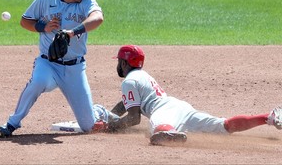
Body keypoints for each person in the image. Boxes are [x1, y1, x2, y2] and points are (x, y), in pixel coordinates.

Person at [0, 0, 107, 137]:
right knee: (38, 81)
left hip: (74, 69)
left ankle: (98, 111)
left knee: (88, 126)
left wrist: (72, 32)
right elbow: (25, 21)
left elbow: (98, 18)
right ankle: (12, 123)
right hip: (48, 63)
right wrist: (43, 27)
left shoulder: (87, 3)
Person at [104, 45, 282, 145]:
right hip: (180, 107)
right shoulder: (142, 75)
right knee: (225, 125)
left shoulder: (129, 81)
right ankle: (268, 117)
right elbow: (125, 104)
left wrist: (110, 127)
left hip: (163, 112)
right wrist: (110, 116)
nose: (119, 65)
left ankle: (170, 133)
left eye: (120, 61)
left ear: (125, 63)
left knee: (158, 132)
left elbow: (134, 118)